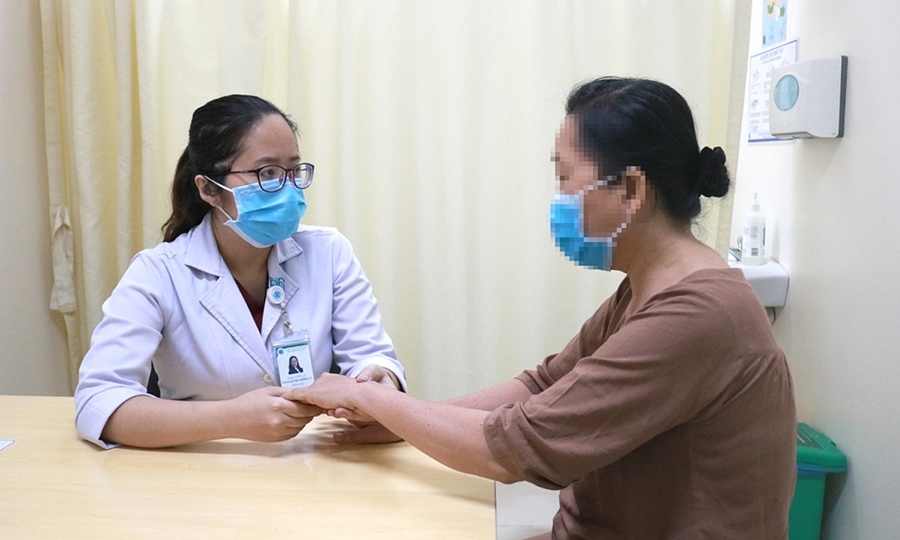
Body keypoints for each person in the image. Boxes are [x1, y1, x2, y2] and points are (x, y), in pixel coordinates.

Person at [288, 77, 797, 539]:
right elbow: (544, 383)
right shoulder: (648, 289)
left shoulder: (697, 316)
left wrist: (371, 398)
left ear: (631, 190)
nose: (560, 199)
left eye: (566, 177)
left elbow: (514, 449)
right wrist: (402, 420)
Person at [75, 94, 405, 449]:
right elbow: (99, 403)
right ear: (208, 189)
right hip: (197, 468)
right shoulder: (158, 273)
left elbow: (372, 356)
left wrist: (378, 383)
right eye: (267, 173)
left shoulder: (328, 252)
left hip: (308, 463)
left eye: (293, 171)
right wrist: (230, 418)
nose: (287, 187)